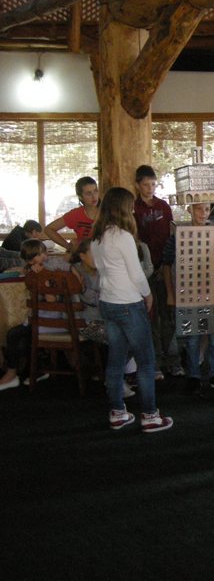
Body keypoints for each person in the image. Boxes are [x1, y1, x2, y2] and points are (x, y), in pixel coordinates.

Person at [91, 187, 173, 432]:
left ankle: (117, 412)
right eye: (129, 207)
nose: (133, 211)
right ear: (122, 209)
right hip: (128, 302)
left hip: (108, 302)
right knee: (146, 361)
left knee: (116, 360)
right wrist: (148, 295)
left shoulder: (97, 237)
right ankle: (150, 415)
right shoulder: (123, 236)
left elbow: (100, 271)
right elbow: (136, 274)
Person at [0, 238, 77, 391]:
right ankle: (36, 370)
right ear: (30, 260)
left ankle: (14, 373)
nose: (45, 257)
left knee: (15, 334)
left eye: (44, 253)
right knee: (19, 334)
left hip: (53, 321)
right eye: (40, 255)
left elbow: (51, 301)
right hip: (45, 319)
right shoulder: (34, 272)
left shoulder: (46, 272)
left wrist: (40, 278)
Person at [162, 202, 214, 393]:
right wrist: (170, 293)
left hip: (213, 292)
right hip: (188, 292)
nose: (203, 213)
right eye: (198, 209)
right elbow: (166, 264)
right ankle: (194, 375)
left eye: (206, 209)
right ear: (190, 209)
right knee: (192, 338)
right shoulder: (178, 235)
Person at [133, 164, 182, 379]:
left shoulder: (163, 206)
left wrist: (166, 264)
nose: (150, 188)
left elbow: (171, 235)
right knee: (151, 317)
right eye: (146, 185)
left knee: (169, 315)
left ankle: (173, 360)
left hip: (165, 266)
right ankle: (154, 362)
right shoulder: (134, 209)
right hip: (144, 269)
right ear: (138, 185)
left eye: (153, 184)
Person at [45, 176, 100, 252]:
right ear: (80, 196)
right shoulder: (76, 214)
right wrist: (68, 246)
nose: (94, 196)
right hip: (85, 255)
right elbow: (48, 229)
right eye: (88, 193)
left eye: (95, 191)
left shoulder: (107, 211)